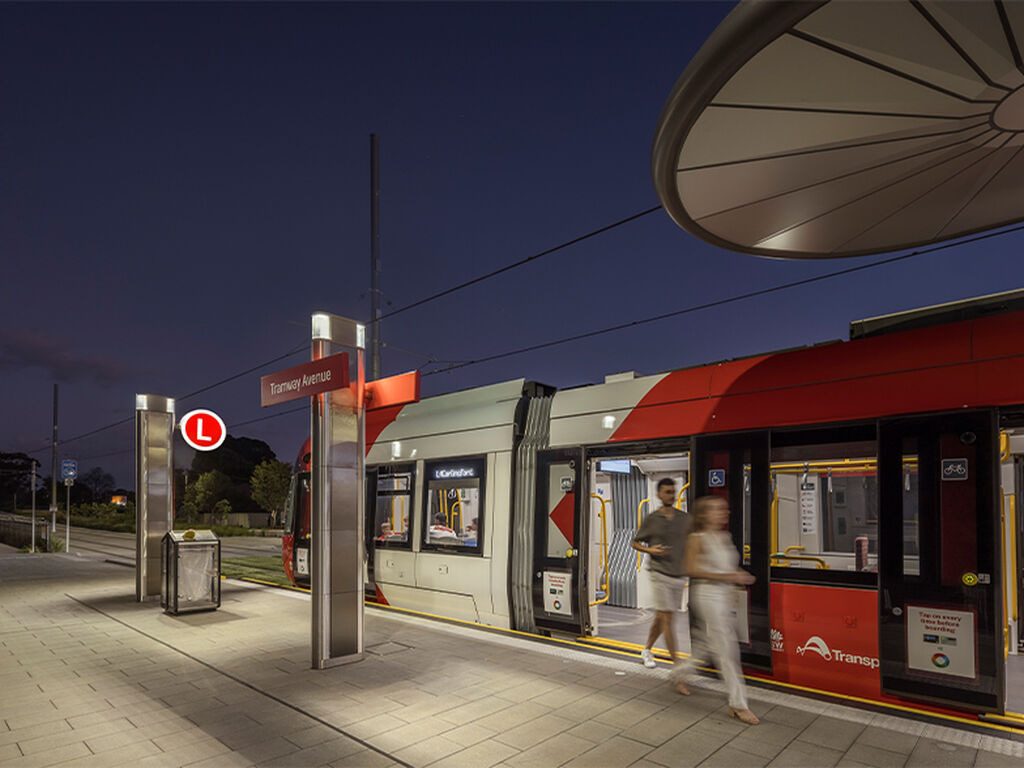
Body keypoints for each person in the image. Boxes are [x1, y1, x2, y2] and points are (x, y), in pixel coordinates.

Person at [674, 495, 758, 725]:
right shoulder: (697, 538)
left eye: (724, 508)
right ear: (703, 514)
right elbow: (690, 568)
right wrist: (728, 576)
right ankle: (738, 704)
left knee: (706, 645)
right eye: (717, 509)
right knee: (727, 650)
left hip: (723, 596)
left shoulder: (725, 536)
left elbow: (728, 566)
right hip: (707, 596)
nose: (724, 512)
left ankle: (678, 673)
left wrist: (736, 577)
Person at [631, 477, 688, 672]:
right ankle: (678, 668)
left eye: (672, 492)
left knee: (661, 617)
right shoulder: (652, 519)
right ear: (659, 494)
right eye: (667, 492)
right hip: (659, 574)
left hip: (678, 575)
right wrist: (651, 551)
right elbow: (635, 542)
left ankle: (646, 649)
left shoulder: (684, 518)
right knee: (667, 619)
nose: (670, 495)